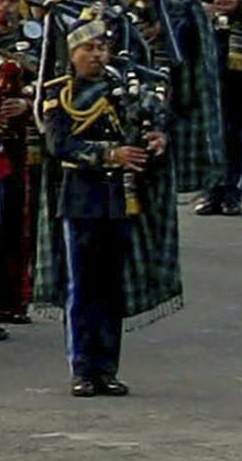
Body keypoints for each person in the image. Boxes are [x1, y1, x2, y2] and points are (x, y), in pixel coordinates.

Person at [36, 21, 169, 398]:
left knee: (111, 289)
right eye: (88, 48)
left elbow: (150, 117)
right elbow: (59, 146)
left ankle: (107, 368)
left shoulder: (122, 89)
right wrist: (110, 154)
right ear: (73, 54)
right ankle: (82, 368)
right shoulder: (58, 94)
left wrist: (158, 137)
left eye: (101, 48)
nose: (96, 55)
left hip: (120, 199)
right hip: (82, 199)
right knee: (82, 287)